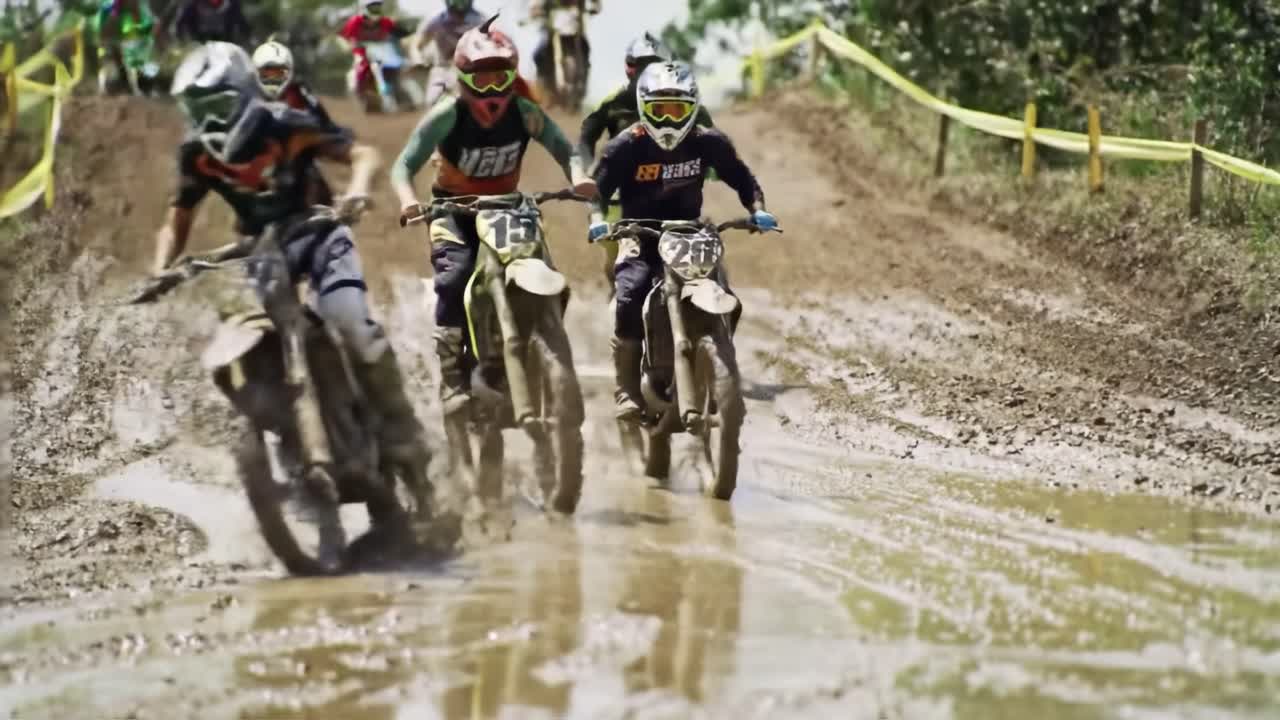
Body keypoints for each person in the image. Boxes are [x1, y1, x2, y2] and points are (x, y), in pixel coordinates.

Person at [156, 41, 431, 483]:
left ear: (246, 92)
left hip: (319, 235)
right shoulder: (197, 154)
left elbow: (362, 154)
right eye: (196, 109)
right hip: (260, 252)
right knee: (255, 341)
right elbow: (178, 216)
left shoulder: (284, 124)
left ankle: (404, 432)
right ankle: (287, 442)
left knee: (348, 319)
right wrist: (162, 270)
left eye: (217, 106)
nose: (208, 120)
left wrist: (358, 188)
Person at [390, 15, 595, 416]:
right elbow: (403, 165)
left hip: (507, 205)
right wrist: (406, 200)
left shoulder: (525, 111)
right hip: (453, 210)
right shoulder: (447, 114)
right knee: (453, 276)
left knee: (543, 267)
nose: (492, 89)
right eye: (481, 79)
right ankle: (453, 378)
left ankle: (544, 337)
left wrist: (579, 176)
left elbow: (562, 146)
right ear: (463, 77)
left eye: (500, 78)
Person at [586, 61, 776, 421]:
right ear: (644, 108)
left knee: (729, 300)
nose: (670, 120)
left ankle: (717, 364)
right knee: (630, 294)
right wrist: (598, 219)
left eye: (678, 110)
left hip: (689, 233)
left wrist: (758, 209)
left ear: (692, 109)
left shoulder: (708, 142)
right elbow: (597, 191)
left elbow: (742, 177)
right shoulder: (625, 146)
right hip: (639, 235)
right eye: (661, 110)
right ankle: (626, 389)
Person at [577, 31, 714, 285]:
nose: (647, 73)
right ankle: (621, 295)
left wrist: (710, 166)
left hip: (671, 180)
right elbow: (586, 135)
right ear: (630, 69)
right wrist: (586, 170)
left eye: (654, 66)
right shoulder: (613, 101)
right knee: (618, 256)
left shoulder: (685, 98)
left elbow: (709, 135)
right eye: (641, 67)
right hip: (621, 186)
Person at [251, 39, 336, 205]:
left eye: (278, 73)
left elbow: (322, 118)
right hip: (261, 156)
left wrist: (319, 128)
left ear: (289, 72)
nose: (272, 79)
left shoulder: (299, 90)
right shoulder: (249, 94)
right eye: (266, 73)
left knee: (323, 197)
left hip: (297, 154)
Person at [408, 0, 483, 109]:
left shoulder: (480, 20)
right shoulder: (436, 20)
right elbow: (417, 43)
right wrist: (417, 59)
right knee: (431, 102)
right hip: (442, 69)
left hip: (471, 71)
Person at [527, 0, 598, 100]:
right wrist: (535, 9)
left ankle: (582, 85)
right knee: (538, 54)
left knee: (586, 49)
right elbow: (536, 4)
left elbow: (595, 3)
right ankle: (542, 88)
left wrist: (595, 6)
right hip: (553, 27)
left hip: (575, 27)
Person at [337, 0, 401, 106]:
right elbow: (343, 37)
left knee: (398, 67)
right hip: (362, 53)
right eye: (372, 7)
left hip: (382, 52)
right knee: (359, 68)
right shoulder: (355, 22)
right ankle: (360, 93)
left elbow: (398, 34)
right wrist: (349, 45)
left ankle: (401, 92)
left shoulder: (385, 22)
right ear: (364, 9)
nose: (376, 10)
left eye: (378, 7)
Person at [93, 0, 156, 94]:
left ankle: (133, 88)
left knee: (118, 62)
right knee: (114, 62)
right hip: (112, 36)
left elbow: (136, 18)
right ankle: (133, 88)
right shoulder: (111, 6)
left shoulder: (111, 6)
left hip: (114, 36)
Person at [167, 0, 250, 46]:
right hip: (198, 45)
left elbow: (242, 23)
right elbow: (177, 26)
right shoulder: (191, 4)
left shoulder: (232, 3)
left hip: (226, 45)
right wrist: (182, 43)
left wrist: (248, 40)